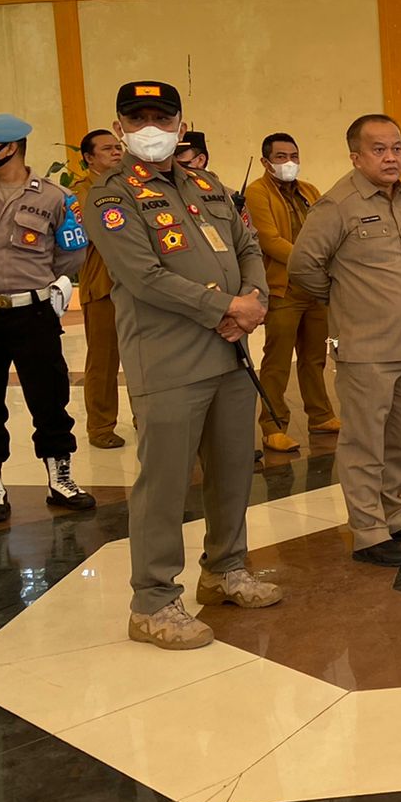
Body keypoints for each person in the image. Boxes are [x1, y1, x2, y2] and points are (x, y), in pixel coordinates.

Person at [87, 80, 278, 649]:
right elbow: (143, 274)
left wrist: (254, 304)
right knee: (165, 485)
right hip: (168, 359)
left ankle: (224, 570)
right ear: (120, 126)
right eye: (137, 117)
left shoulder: (206, 184)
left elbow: (247, 247)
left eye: (161, 117)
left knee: (231, 472)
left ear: (179, 123)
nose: (150, 127)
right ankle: (152, 603)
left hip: (229, 352)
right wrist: (226, 306)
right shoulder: (109, 195)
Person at [288, 114, 401, 565]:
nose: (390, 157)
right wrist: (348, 306)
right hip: (367, 349)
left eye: (396, 147)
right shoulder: (337, 205)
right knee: (364, 443)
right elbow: (303, 267)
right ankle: (369, 531)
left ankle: (394, 514)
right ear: (355, 156)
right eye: (378, 149)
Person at [0, 112, 93, 526]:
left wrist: (41, 285)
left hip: (32, 313)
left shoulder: (55, 197)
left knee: (49, 396)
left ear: (10, 147)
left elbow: (70, 254)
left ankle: (60, 477)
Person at [245, 132, 338, 452]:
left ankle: (321, 414)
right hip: (282, 287)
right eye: (281, 157)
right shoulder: (257, 192)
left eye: (294, 156)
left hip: (316, 287)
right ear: (265, 161)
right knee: (277, 360)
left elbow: (329, 228)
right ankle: (273, 425)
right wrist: (311, 262)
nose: (289, 163)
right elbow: (268, 240)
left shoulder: (309, 191)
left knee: (315, 358)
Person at [71, 128, 125, 448]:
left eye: (117, 147)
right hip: (102, 283)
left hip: (137, 285)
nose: (116, 153)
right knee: (104, 360)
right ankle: (101, 426)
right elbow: (93, 230)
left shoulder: (131, 185)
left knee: (143, 357)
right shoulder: (82, 192)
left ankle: (145, 417)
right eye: (107, 149)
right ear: (89, 158)